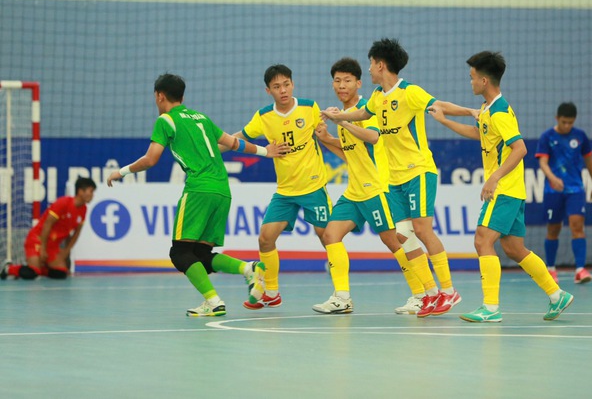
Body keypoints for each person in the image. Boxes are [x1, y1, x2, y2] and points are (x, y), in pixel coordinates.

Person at [105, 73, 289, 317]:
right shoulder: (201, 118)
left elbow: (151, 159)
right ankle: (249, 269)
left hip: (199, 190)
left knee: (179, 253)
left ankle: (213, 301)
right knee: (200, 254)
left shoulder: (165, 121)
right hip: (222, 190)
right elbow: (233, 143)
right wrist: (266, 151)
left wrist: (121, 171)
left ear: (160, 96)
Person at [428, 50, 574, 322]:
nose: (469, 82)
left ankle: (491, 308)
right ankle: (557, 295)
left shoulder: (500, 111)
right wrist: (445, 120)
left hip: (505, 189)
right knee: (514, 249)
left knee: (482, 239)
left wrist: (494, 177)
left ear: (484, 81)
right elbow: (478, 134)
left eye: (472, 78)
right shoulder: (487, 109)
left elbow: (520, 149)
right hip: (513, 190)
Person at [321, 39, 463, 318]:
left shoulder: (410, 91)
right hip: (392, 179)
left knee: (418, 231)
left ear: (380, 64)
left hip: (416, 170)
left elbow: (437, 105)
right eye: (337, 81)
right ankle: (429, 294)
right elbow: (362, 115)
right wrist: (336, 122)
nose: (370, 69)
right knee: (402, 236)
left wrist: (470, 112)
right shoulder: (377, 96)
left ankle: (447, 290)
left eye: (371, 64)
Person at [312, 57, 429, 314]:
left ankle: (422, 294)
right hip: (355, 191)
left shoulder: (368, 108)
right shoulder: (343, 116)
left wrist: (342, 121)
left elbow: (374, 138)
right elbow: (350, 153)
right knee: (330, 235)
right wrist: (328, 138)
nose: (342, 85)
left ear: (358, 83)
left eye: (347, 81)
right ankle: (342, 297)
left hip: (378, 188)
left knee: (395, 241)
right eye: (337, 81)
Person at [228, 64, 334, 310]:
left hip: (313, 186)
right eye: (277, 87)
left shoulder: (309, 107)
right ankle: (272, 292)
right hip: (285, 192)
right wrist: (213, 146)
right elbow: (241, 136)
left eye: (286, 84)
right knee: (265, 239)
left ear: (292, 85)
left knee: (328, 237)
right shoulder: (264, 116)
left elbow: (323, 134)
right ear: (268, 91)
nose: (283, 90)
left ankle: (341, 293)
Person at [536, 102, 592, 284]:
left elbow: (589, 161)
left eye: (570, 122)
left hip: (575, 189)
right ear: (557, 119)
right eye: (564, 122)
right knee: (553, 229)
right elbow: (543, 163)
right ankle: (550, 270)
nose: (567, 126)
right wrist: (552, 178)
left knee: (577, 225)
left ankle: (580, 270)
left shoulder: (580, 136)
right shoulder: (547, 137)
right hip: (553, 190)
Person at [1, 177, 96, 280]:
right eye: (90, 191)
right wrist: (42, 249)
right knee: (32, 273)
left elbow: (76, 233)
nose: (92, 195)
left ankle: (38, 268)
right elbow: (47, 224)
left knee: (61, 273)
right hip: (37, 239)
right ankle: (9, 269)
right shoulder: (63, 203)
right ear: (80, 191)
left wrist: (66, 251)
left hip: (53, 245)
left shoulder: (83, 210)